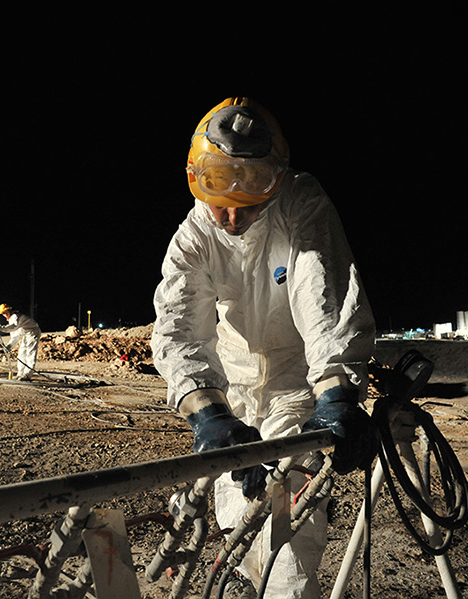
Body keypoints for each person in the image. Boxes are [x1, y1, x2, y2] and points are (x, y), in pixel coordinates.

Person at [151, 97, 378, 599]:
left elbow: (323, 295)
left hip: (297, 393)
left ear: (274, 182)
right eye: (220, 197)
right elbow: (179, 330)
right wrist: (209, 416)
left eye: (250, 197)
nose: (232, 216)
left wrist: (337, 393)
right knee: (238, 531)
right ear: (196, 177)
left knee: (287, 550)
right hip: (231, 399)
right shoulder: (194, 238)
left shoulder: (301, 205)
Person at [0, 303, 41, 381]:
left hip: (33, 332)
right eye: (3, 313)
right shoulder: (11, 319)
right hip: (26, 334)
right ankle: (21, 374)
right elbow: (15, 335)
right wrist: (9, 346)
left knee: (30, 353)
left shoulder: (15, 316)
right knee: (22, 353)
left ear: (9, 310)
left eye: (5, 312)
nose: (5, 314)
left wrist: (0, 328)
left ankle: (27, 375)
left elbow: (14, 327)